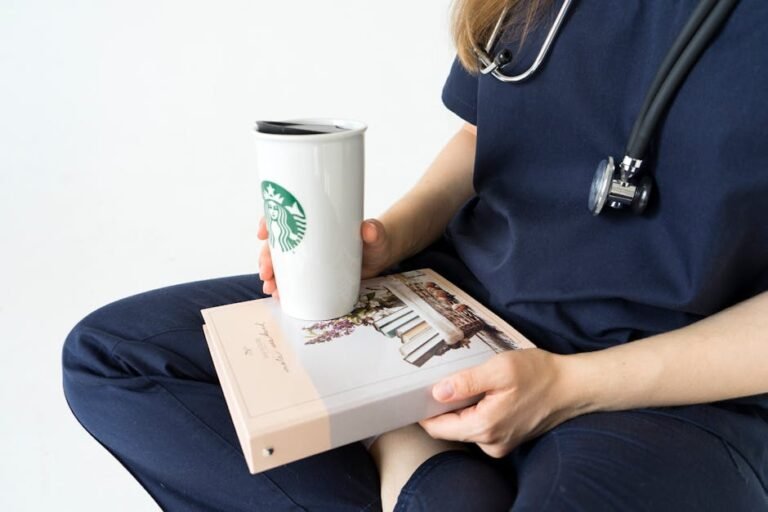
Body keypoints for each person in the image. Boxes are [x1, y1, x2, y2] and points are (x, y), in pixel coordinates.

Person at [62, 1, 768, 510]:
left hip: (670, 379)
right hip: (462, 308)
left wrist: (567, 386)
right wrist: (390, 239)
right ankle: (423, 467)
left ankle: (412, 464)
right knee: (117, 358)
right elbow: (485, 137)